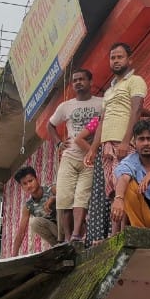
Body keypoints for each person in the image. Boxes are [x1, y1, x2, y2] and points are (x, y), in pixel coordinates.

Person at [84, 43, 147, 203]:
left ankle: (130, 220)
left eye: (120, 57)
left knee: (124, 185)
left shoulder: (135, 80)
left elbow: (137, 110)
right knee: (112, 189)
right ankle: (119, 221)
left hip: (123, 143)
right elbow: (102, 121)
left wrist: (126, 141)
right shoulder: (108, 91)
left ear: (130, 60)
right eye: (113, 58)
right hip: (106, 145)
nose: (116, 60)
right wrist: (93, 149)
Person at [47, 69, 103, 242]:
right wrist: (58, 143)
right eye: (75, 80)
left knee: (82, 197)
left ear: (90, 82)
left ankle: (76, 235)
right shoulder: (65, 106)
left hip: (90, 158)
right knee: (65, 198)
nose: (78, 82)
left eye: (82, 79)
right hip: (69, 157)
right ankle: (67, 237)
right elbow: (50, 125)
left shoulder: (102, 103)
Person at [10, 166, 58, 252]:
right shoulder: (28, 206)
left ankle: (67, 239)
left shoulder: (52, 189)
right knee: (34, 222)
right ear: (22, 187)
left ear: (37, 179)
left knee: (63, 203)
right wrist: (13, 256)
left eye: (30, 181)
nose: (29, 185)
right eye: (25, 184)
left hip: (67, 227)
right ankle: (58, 246)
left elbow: (69, 199)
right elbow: (21, 232)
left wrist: (54, 199)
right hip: (56, 233)